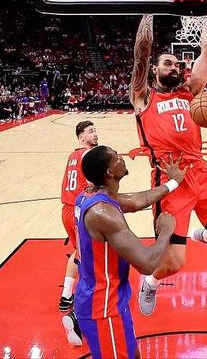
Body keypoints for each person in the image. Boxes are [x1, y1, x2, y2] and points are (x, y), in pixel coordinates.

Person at [129, 14, 207, 316]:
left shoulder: (189, 92)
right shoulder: (143, 96)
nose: (174, 67)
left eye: (178, 65)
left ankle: (205, 235)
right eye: (167, 63)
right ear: (155, 70)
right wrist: (148, 14)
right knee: (175, 263)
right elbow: (141, 53)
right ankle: (150, 283)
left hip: (199, 172)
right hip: (170, 181)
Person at [66, 146, 179, 357]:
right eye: (117, 157)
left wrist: (173, 183)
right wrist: (166, 232)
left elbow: (137, 201)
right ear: (110, 172)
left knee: (133, 354)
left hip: (109, 300)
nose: (122, 158)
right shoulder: (103, 213)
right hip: (103, 307)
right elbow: (147, 263)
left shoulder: (91, 195)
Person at [58, 121, 99, 312]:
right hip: (78, 211)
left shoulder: (73, 155)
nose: (95, 134)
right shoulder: (88, 155)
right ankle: (86, 299)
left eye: (95, 130)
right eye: (91, 131)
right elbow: (92, 184)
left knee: (79, 252)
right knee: (88, 255)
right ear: (82, 137)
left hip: (67, 210)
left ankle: (66, 294)